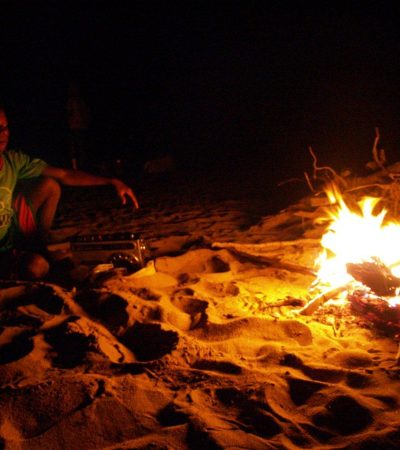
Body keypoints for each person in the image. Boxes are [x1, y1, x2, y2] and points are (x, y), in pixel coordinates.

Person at [0, 105, 139, 280]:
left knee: (49, 185)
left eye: (5, 127)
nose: (3, 133)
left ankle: (38, 247)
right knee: (36, 267)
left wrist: (110, 181)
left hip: (9, 240)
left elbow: (65, 174)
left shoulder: (12, 161)